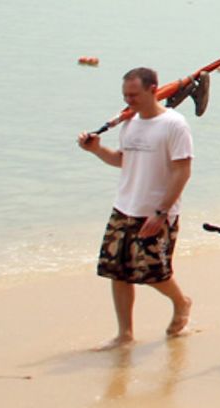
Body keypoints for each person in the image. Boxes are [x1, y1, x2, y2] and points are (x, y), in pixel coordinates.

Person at [76, 67, 195, 349]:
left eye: (134, 95)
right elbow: (122, 160)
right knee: (116, 271)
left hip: (156, 210)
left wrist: (161, 211)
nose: (128, 101)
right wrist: (95, 150)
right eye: (125, 95)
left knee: (154, 273)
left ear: (153, 89)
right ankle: (125, 333)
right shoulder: (129, 123)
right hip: (124, 207)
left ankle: (181, 302)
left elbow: (182, 171)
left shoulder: (174, 125)